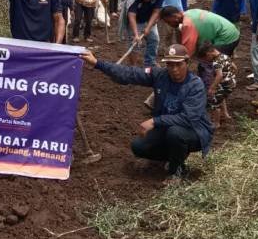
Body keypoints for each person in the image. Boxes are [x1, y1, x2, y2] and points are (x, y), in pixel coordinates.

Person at [81, 44, 212, 183]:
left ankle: (176, 171)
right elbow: (130, 73)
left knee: (176, 133)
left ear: (187, 62)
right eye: (170, 65)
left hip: (194, 131)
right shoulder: (161, 75)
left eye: (178, 64)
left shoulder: (195, 85)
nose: (174, 69)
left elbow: (188, 118)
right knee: (138, 147)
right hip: (167, 128)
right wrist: (97, 63)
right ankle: (174, 157)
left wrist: (154, 121)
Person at [159, 7, 240, 57]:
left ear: (176, 17)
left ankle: (223, 82)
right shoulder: (189, 13)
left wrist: (180, 62)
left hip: (227, 38)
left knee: (211, 62)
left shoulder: (187, 24)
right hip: (232, 32)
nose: (169, 25)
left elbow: (188, 51)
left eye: (169, 22)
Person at [119, 0, 163, 67]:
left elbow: (156, 12)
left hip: (149, 19)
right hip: (136, 22)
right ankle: (132, 66)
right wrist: (136, 34)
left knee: (154, 40)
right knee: (135, 44)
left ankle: (150, 62)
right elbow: (132, 16)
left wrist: (148, 27)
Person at [196, 41, 236, 128]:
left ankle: (216, 123)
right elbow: (234, 66)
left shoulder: (216, 62)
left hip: (224, 84)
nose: (207, 60)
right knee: (220, 97)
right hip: (232, 83)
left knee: (214, 102)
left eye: (206, 58)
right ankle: (225, 115)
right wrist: (232, 75)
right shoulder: (225, 56)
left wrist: (212, 87)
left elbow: (219, 75)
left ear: (209, 53)